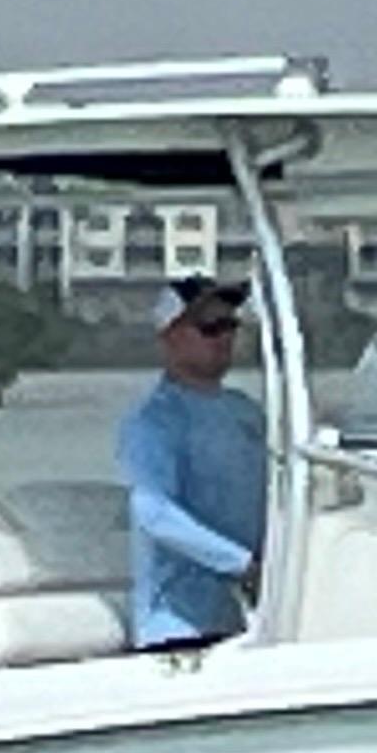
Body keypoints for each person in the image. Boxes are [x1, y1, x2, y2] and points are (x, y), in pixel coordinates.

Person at [115, 274, 268, 647]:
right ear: (170, 336)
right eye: (209, 327)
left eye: (230, 324)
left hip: (243, 621)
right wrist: (243, 566)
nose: (224, 337)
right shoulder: (152, 421)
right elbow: (153, 512)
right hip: (176, 631)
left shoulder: (246, 413)